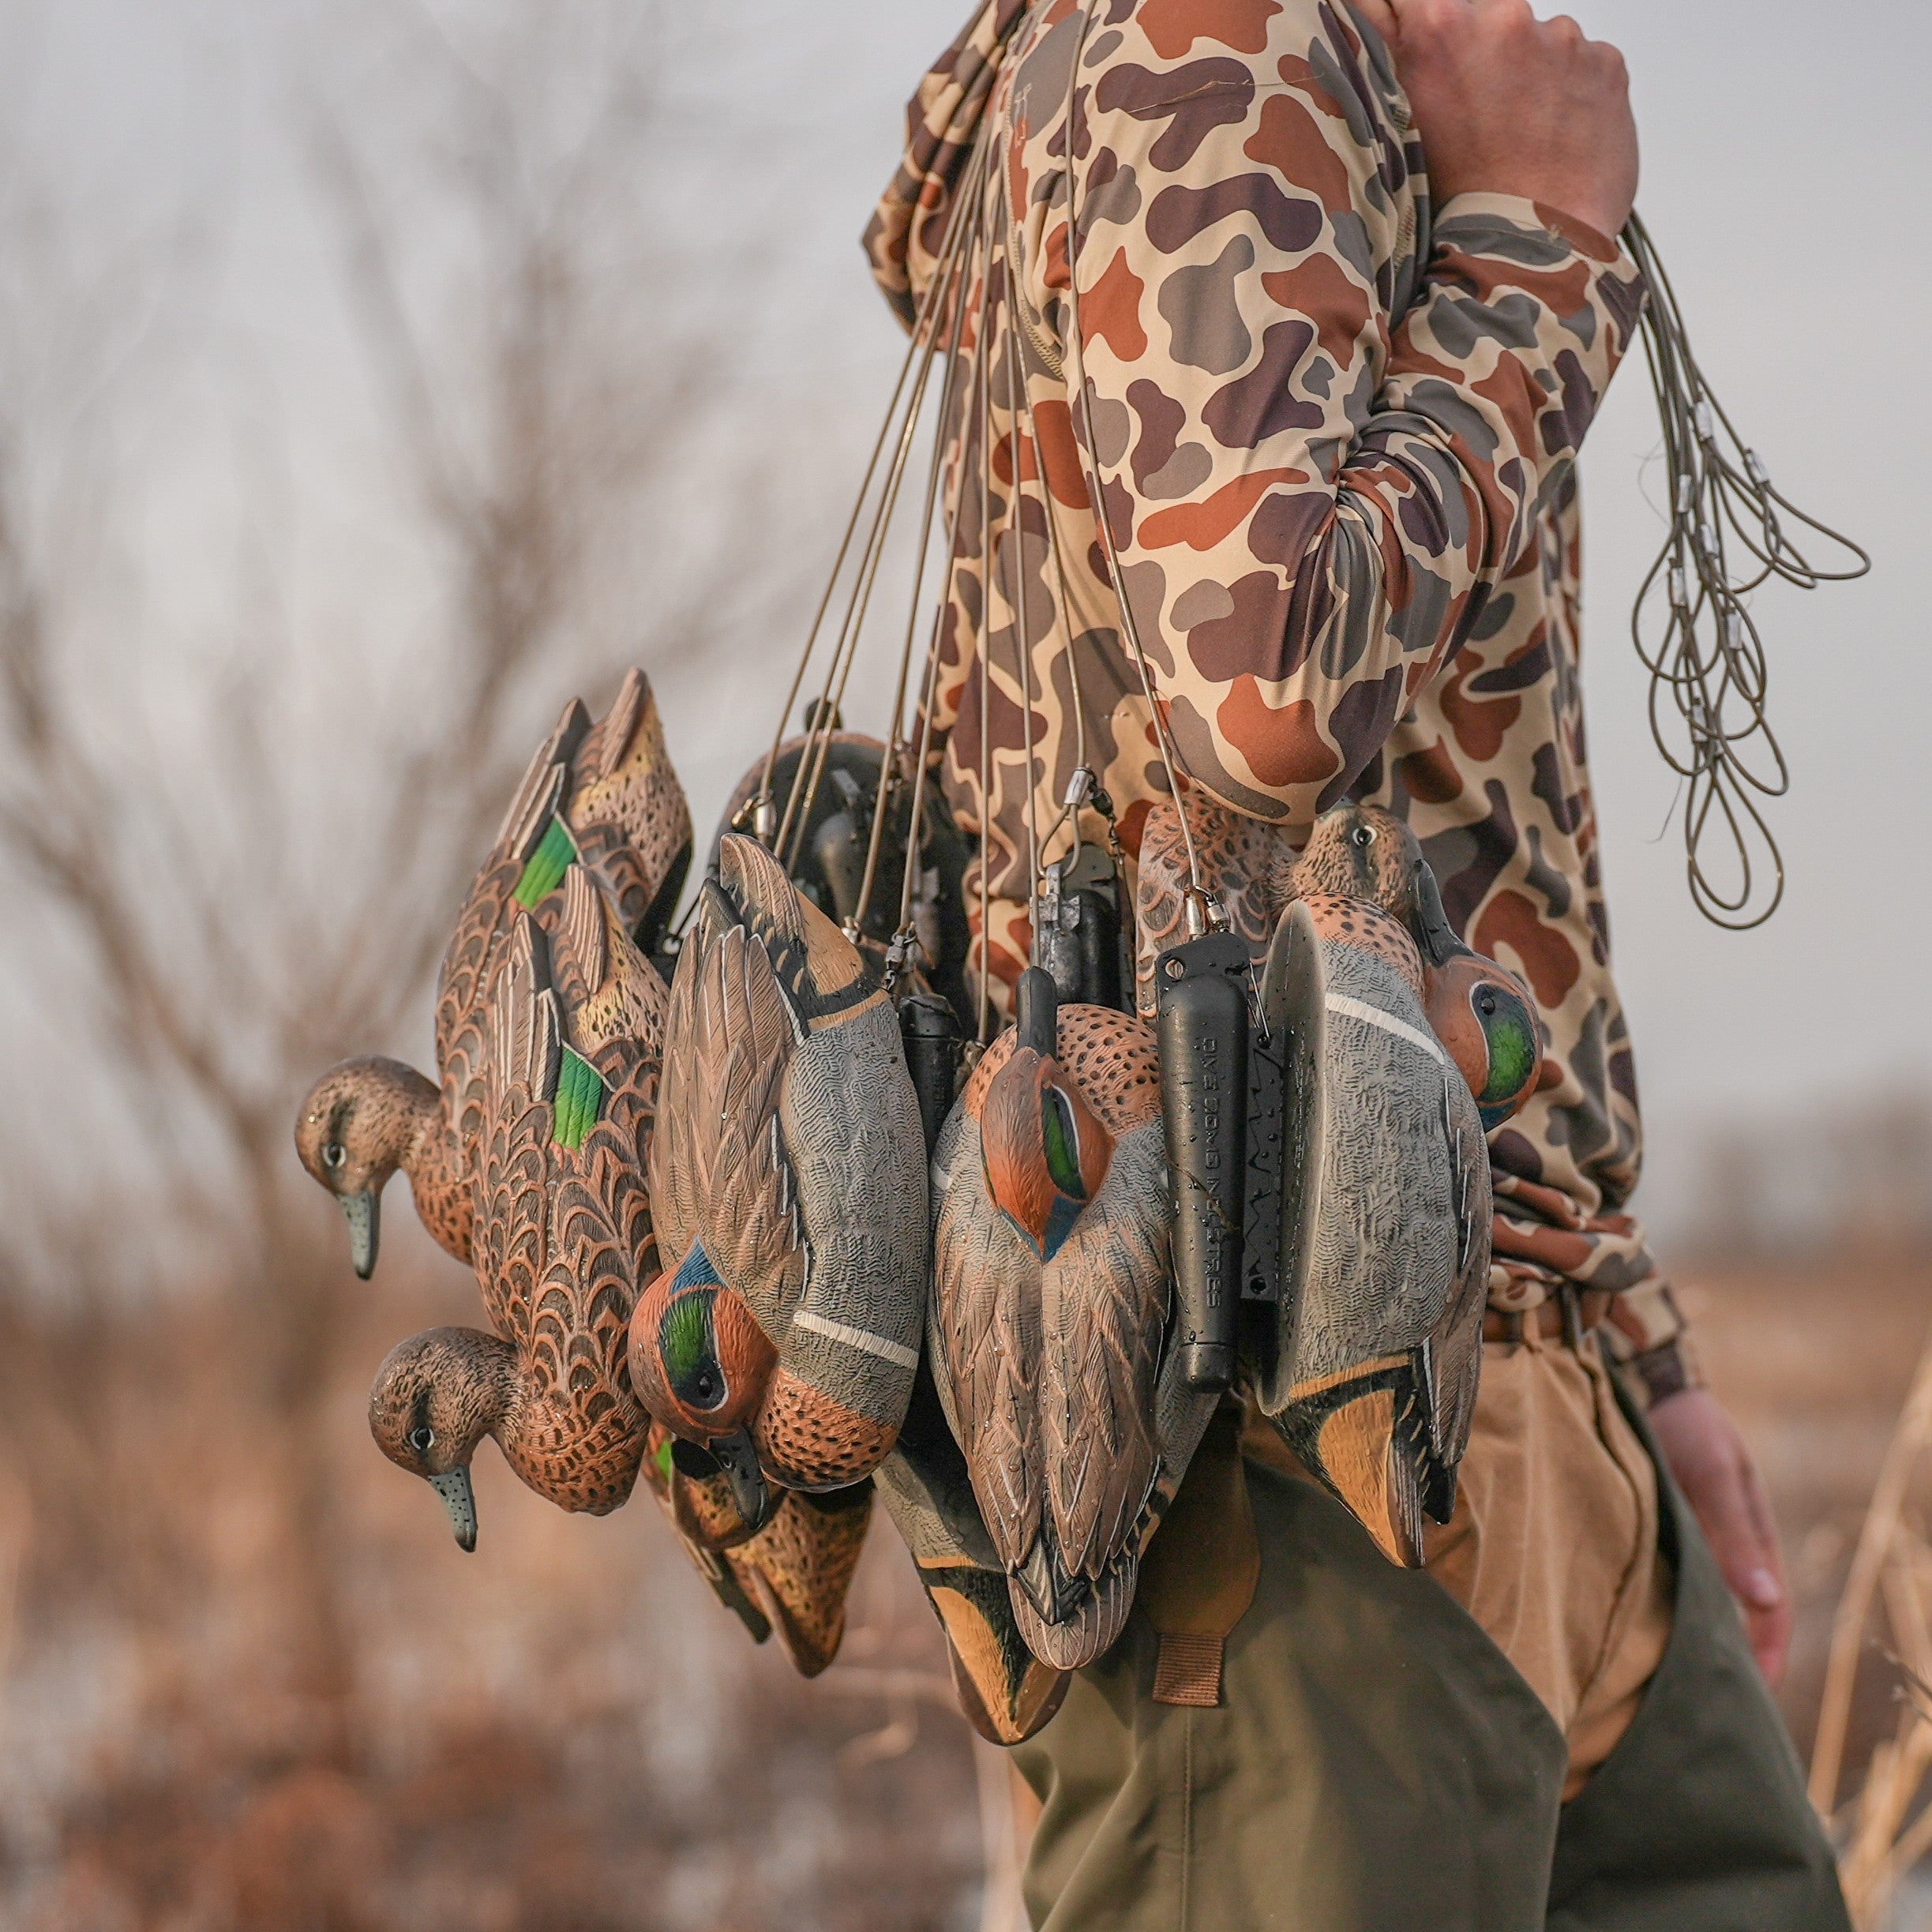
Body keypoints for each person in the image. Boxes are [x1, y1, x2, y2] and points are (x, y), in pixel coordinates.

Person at [865, 0, 1849, 1925]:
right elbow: (1267, 685)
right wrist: (1549, 243)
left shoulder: (1351, 70)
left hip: (1496, 1401)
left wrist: (1617, 1346)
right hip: (1280, 1444)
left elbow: (1442, 821)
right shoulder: (1203, 43)